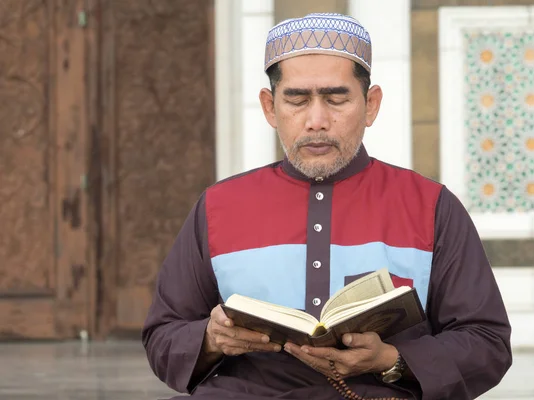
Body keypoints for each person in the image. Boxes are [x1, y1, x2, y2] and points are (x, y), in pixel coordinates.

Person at [142, 13, 512, 400]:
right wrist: (211, 338)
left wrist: (391, 359)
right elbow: (163, 335)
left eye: (336, 99)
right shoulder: (219, 206)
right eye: (297, 100)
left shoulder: (431, 206)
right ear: (270, 108)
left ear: (370, 104)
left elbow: (487, 342)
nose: (316, 121)